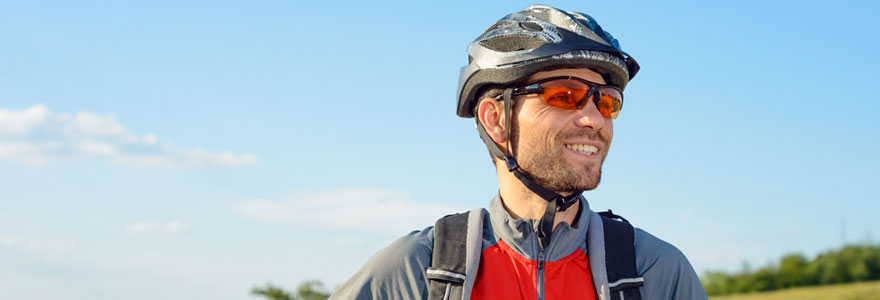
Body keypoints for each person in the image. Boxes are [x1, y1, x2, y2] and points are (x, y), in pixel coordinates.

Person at [331, 5, 707, 300]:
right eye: (564, 95)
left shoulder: (655, 271)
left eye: (607, 102)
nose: (594, 119)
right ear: (495, 118)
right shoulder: (416, 271)